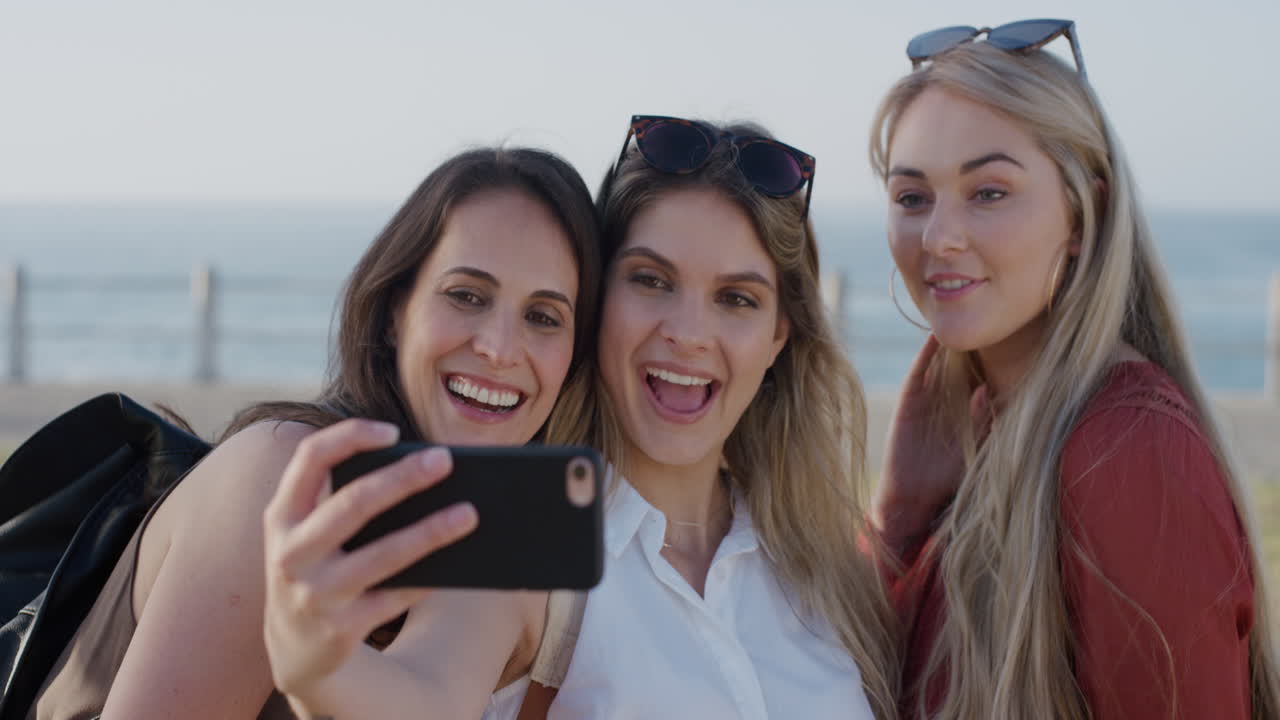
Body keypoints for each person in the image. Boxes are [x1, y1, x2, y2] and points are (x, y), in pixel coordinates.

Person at [264, 115, 900, 719]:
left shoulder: (821, 569)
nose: (688, 333)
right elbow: (422, 694)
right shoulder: (528, 538)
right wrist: (317, 666)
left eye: (736, 299)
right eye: (651, 281)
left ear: (778, 338)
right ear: (596, 306)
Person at [25, 146, 602, 720]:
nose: (500, 349)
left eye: (543, 317)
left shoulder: (486, 529)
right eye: (466, 296)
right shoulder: (280, 480)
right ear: (397, 310)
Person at [867, 21, 1280, 720]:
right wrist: (899, 520)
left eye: (989, 192)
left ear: (1084, 214)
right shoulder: (981, 438)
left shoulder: (1128, 451)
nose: (938, 237)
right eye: (913, 197)